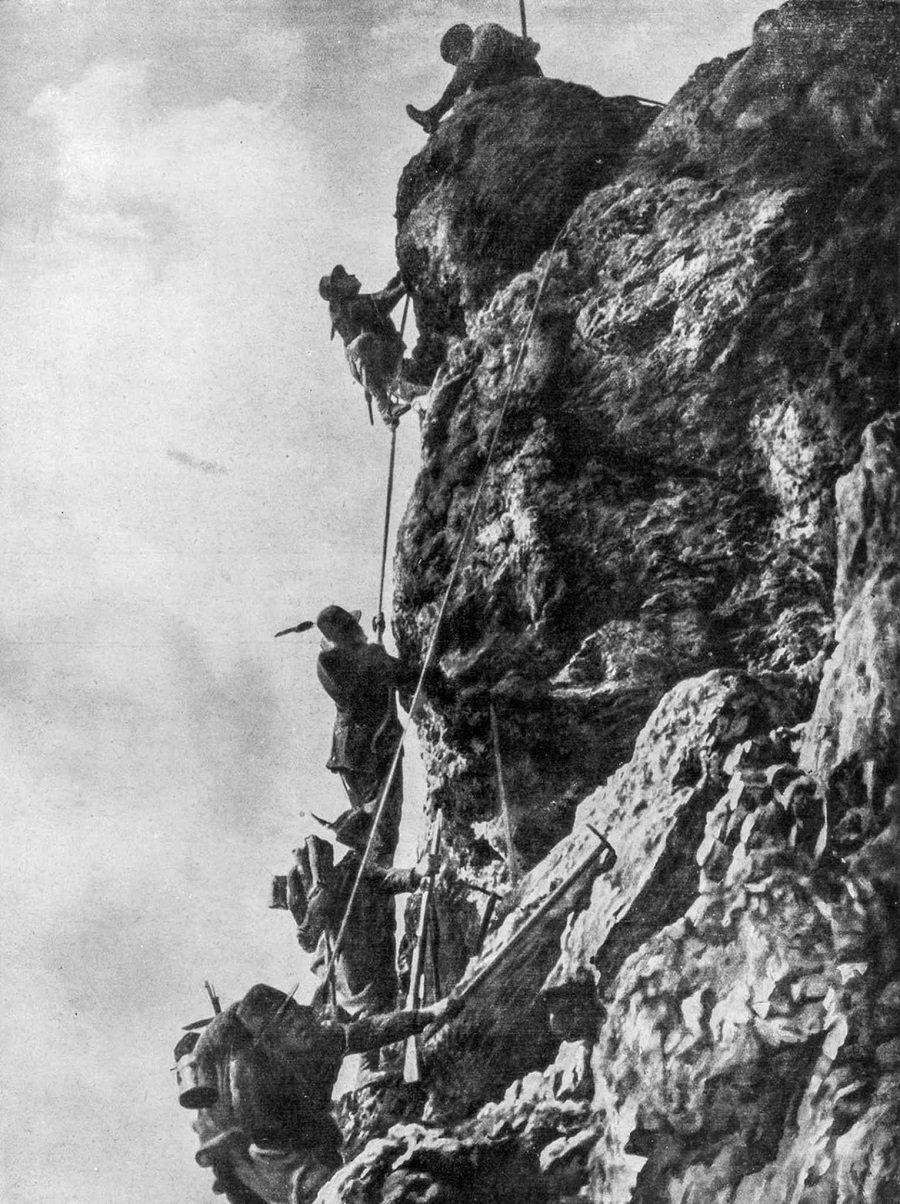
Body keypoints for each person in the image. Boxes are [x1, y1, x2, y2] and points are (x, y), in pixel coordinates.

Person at [176, 983, 462, 1204]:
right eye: (283, 1022)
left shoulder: (313, 1037)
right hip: (262, 1158)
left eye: (291, 1012)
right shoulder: (250, 1076)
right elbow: (269, 1138)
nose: (297, 1026)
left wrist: (427, 1015)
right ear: (270, 1040)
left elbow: (364, 1032)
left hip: (294, 1134)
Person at [315, 604, 419, 863]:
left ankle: (361, 849)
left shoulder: (329, 663)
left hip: (350, 756)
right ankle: (375, 877)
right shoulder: (365, 658)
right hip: (373, 752)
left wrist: (376, 643)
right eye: (355, 627)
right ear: (348, 634)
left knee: (373, 822)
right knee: (384, 824)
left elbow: (366, 669)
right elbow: (403, 674)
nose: (360, 629)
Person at [406, 22, 542, 134]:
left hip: (525, 80)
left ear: (458, 44)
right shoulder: (479, 62)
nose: (457, 64)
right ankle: (434, 116)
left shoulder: (484, 33)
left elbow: (469, 71)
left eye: (454, 58)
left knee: (467, 70)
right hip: (512, 87)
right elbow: (469, 98)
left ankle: (433, 114)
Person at [319, 265, 408, 427]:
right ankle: (385, 407)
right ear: (338, 290)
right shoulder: (348, 308)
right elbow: (382, 302)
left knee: (366, 342)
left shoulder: (350, 304)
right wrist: (404, 284)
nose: (351, 275)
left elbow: (381, 296)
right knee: (363, 342)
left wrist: (400, 277)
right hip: (376, 366)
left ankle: (398, 395)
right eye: (344, 277)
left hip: (386, 360)